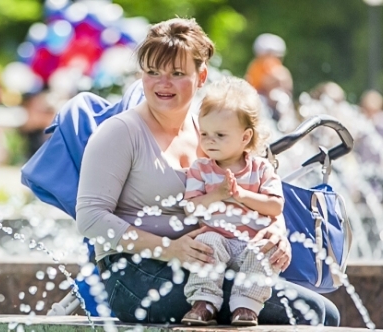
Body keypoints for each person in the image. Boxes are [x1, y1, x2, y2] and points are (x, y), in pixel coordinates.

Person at [75, 17, 339, 325]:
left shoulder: (209, 130)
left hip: (206, 264)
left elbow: (256, 183)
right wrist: (170, 249)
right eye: (152, 72)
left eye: (177, 73)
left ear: (201, 76)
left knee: (326, 312)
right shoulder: (119, 133)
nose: (163, 83)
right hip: (137, 274)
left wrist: (276, 231)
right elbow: (90, 219)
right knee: (312, 314)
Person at [180, 77, 283, 326]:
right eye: (204, 133)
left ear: (245, 137)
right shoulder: (201, 169)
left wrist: (241, 195)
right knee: (205, 242)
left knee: (264, 251)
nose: (209, 140)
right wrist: (217, 194)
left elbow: (275, 206)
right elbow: (190, 208)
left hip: (251, 241)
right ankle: (204, 302)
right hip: (219, 238)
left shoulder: (261, 168)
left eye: (220, 135)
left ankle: (246, 306)